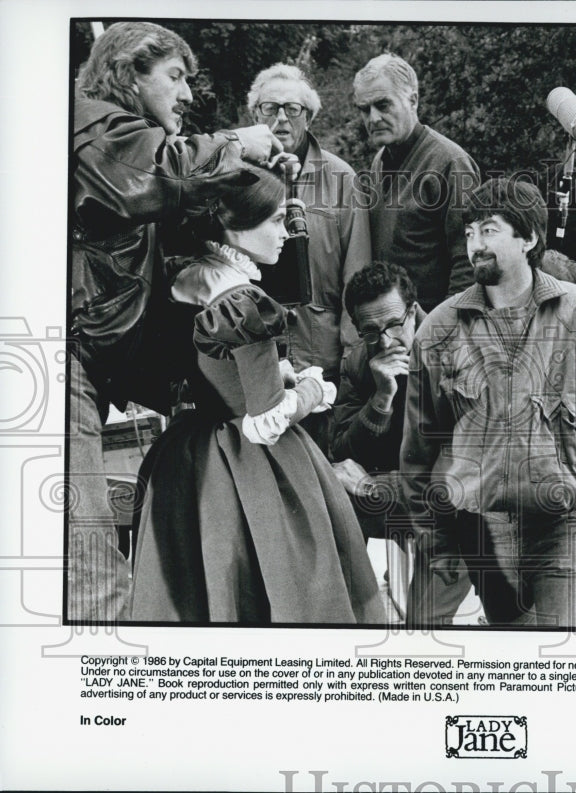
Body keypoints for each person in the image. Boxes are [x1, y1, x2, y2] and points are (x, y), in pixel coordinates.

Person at [70, 21, 291, 621]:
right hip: (55, 363)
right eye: (175, 76)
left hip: (82, 365)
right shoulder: (86, 122)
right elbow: (155, 176)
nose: (188, 94)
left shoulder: (110, 142)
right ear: (128, 72)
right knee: (86, 559)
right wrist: (237, 144)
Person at [400, 177, 576, 627]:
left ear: (529, 238)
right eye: (468, 233)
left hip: (563, 528)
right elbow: (419, 450)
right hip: (479, 529)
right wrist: (435, 538)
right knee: (510, 671)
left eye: (488, 230)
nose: (474, 244)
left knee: (562, 669)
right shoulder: (439, 329)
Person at [129, 166, 384, 624]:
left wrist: (280, 375)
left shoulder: (189, 275)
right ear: (234, 224)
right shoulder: (240, 296)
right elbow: (265, 418)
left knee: (209, 583)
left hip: (190, 450)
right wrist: (311, 388)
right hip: (252, 461)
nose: (286, 233)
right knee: (290, 582)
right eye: (274, 221)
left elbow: (226, 371)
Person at [331, 262, 474, 623]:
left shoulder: (459, 351)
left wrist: (369, 485)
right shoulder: (360, 361)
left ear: (413, 313)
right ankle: (352, 617)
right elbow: (344, 453)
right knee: (331, 494)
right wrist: (381, 399)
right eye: (370, 331)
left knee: (424, 628)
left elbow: (456, 476)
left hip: (462, 510)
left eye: (394, 325)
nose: (384, 341)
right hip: (400, 494)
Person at [247, 63, 371, 456]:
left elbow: (358, 279)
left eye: (292, 109)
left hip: (323, 366)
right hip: (257, 361)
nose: (280, 118)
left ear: (310, 117)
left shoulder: (341, 179)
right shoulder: (238, 177)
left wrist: (353, 369)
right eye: (269, 108)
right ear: (254, 115)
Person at [352, 53, 480, 317]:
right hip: (392, 327)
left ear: (413, 100)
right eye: (364, 109)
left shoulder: (450, 162)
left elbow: (469, 260)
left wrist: (447, 328)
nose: (373, 118)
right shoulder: (380, 160)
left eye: (383, 105)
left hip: (435, 328)